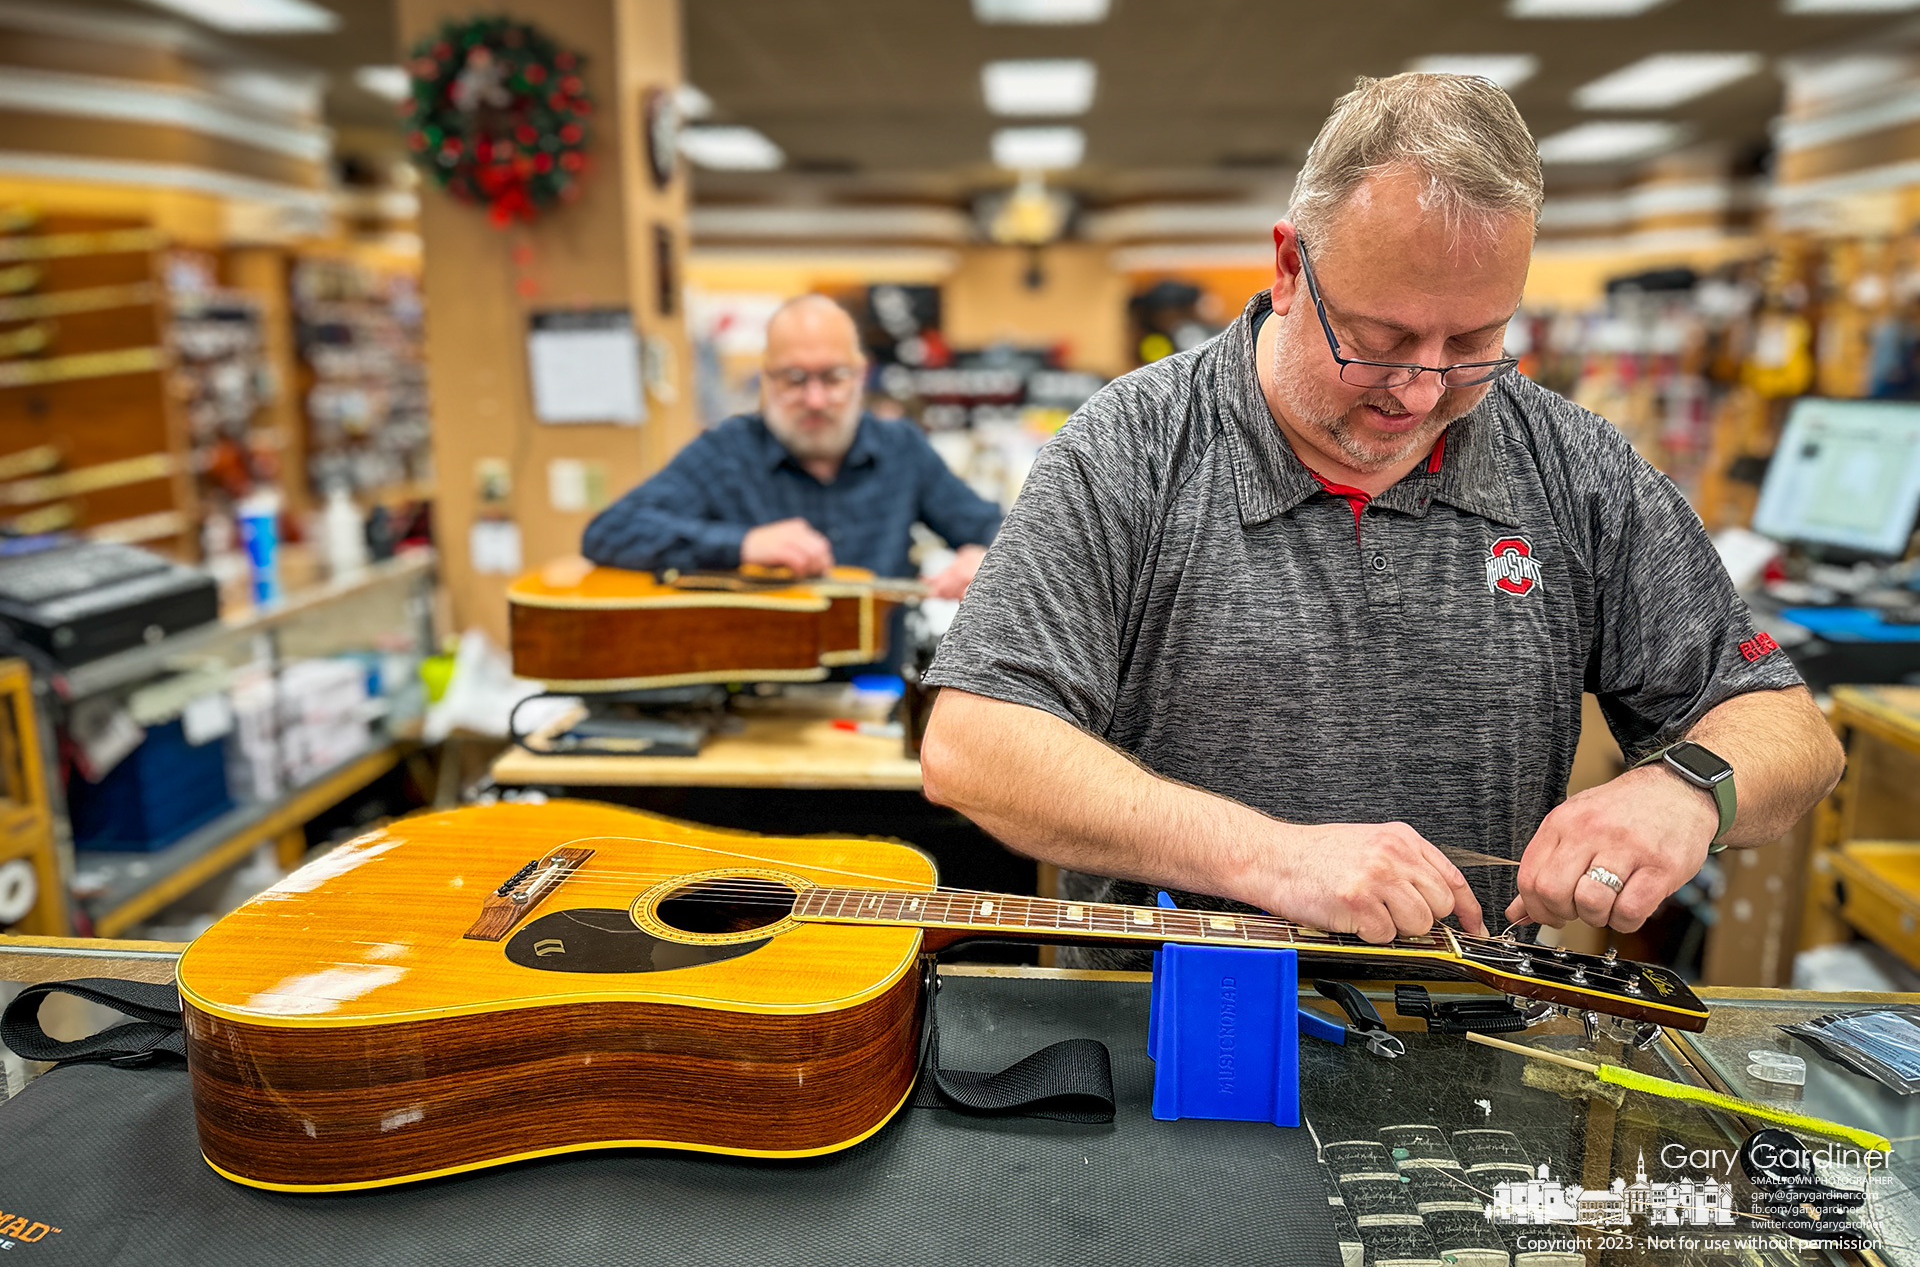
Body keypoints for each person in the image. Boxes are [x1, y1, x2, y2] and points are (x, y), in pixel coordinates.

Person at [918, 73, 1845, 964]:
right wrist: (1274, 859)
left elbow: (1789, 730)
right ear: (1290, 267)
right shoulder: (1136, 447)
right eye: (1379, 340)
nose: (1420, 386)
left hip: (1471, 1043)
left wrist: (1685, 789)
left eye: (1475, 344)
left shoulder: (1572, 465)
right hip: (1171, 1045)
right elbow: (974, 745)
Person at [582, 294, 1000, 599]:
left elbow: (996, 529)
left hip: (879, 686)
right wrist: (743, 544)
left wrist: (986, 558)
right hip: (754, 691)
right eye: (794, 379)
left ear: (859, 376)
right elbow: (609, 532)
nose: (815, 400)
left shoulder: (902, 447)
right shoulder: (725, 451)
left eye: (833, 377)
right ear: (766, 380)